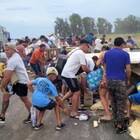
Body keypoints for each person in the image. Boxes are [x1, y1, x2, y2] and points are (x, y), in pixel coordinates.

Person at [103, 37, 131, 134]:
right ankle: (120, 126)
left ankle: (116, 121)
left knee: (113, 101)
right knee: (120, 103)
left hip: (109, 81)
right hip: (120, 81)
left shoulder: (107, 54)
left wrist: (106, 77)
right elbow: (128, 70)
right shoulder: (125, 54)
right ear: (121, 44)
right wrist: (128, 79)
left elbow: (105, 67)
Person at [0, 42, 32, 124]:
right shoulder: (14, 56)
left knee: (24, 99)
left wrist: (1, 85)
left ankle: (33, 115)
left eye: (8, 50)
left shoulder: (13, 60)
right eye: (5, 50)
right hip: (14, 80)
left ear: (13, 50)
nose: (6, 51)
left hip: (22, 82)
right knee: (5, 96)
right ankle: (2, 116)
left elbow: (7, 77)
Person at [61, 39, 91, 118]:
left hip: (67, 73)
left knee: (72, 90)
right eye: (88, 47)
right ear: (84, 45)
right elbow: (84, 67)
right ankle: (73, 112)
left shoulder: (76, 50)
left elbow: (67, 57)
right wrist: (90, 71)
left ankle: (60, 101)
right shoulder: (80, 53)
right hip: (69, 74)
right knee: (76, 92)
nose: (88, 49)